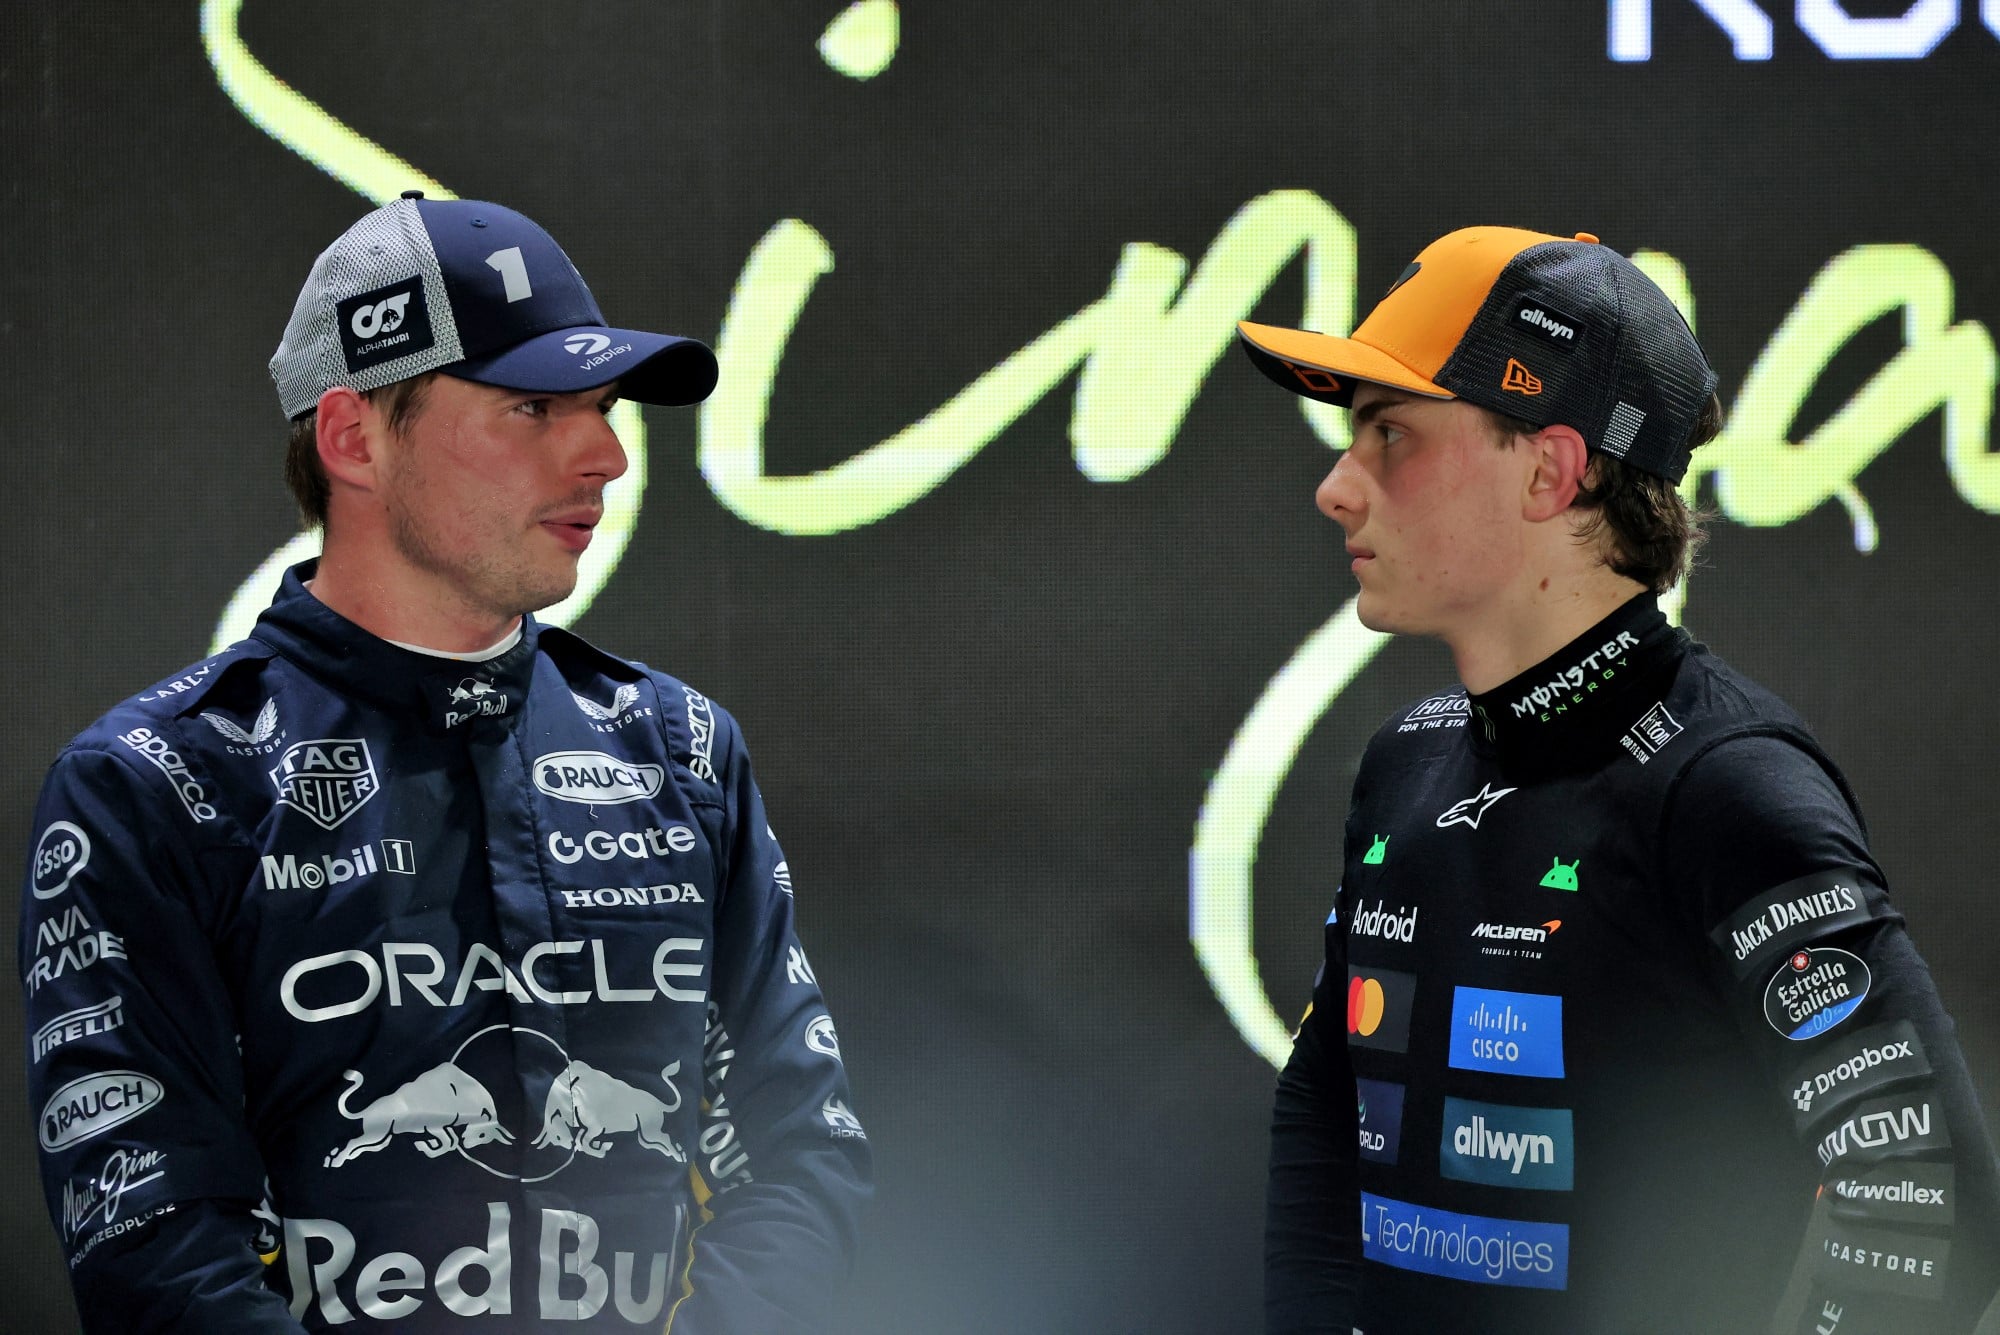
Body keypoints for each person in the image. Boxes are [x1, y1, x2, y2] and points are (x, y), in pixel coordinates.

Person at [20, 192, 870, 1332]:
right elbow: (153, 1237)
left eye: (603, 408)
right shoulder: (155, 785)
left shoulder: (682, 752)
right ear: (353, 439)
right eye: (532, 407)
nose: (607, 455)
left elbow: (801, 1152)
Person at [1238, 226, 2000, 1333]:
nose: (1336, 489)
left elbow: (1926, 1199)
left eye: (1389, 433)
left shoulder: (1725, 785)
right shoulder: (1405, 759)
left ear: (1550, 470)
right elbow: (1324, 1107)